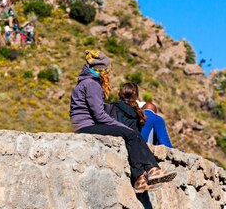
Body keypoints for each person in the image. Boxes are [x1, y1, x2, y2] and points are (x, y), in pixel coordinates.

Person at [69, 50, 176, 192]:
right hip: (87, 125)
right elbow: (99, 115)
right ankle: (152, 170)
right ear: (102, 69)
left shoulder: (86, 82)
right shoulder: (92, 84)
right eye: (107, 70)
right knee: (131, 134)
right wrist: (121, 127)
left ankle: (143, 177)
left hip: (83, 124)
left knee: (132, 134)